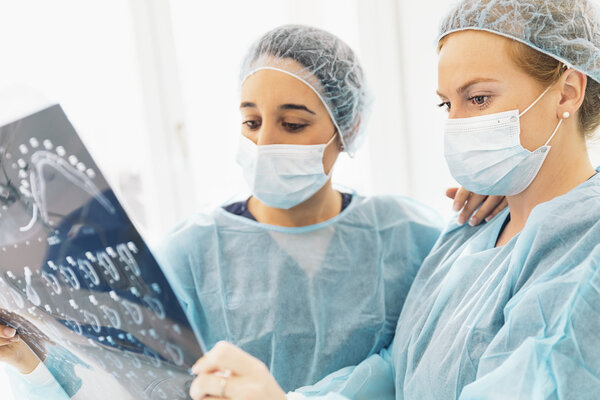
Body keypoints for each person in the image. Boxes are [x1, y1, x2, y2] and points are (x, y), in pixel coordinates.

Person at [0, 25, 503, 398]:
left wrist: (503, 199)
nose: (265, 142)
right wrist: (29, 358)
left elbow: (433, 361)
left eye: (292, 123)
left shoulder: (409, 235)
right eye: (252, 121)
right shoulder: (191, 253)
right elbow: (129, 383)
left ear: (346, 128)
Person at [186, 1, 600, 399]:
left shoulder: (587, 252)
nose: (455, 124)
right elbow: (396, 372)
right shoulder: (469, 234)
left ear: (566, 93)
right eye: (446, 104)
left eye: (478, 99)